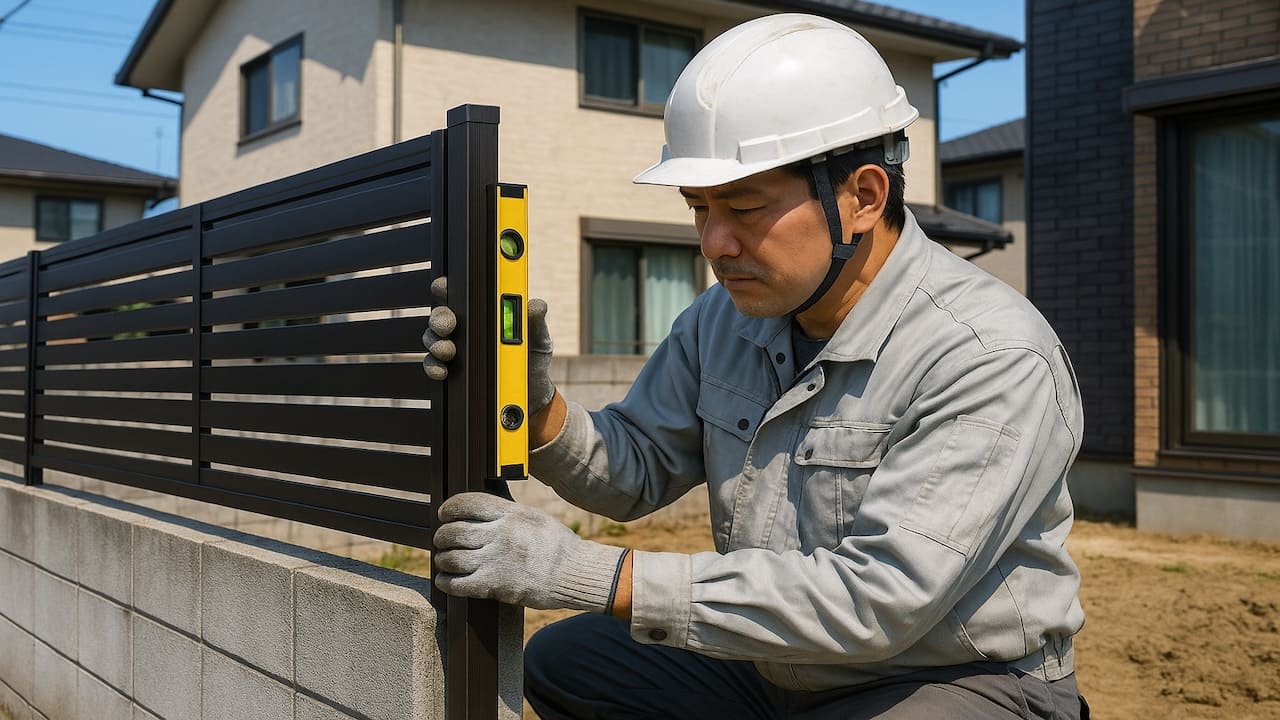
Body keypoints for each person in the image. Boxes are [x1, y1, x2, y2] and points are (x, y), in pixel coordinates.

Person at [423, 13, 1088, 720]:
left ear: (863, 197)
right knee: (568, 665)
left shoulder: (986, 354)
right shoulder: (724, 319)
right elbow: (636, 467)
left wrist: (591, 573)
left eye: (744, 207)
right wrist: (532, 408)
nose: (715, 242)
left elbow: (879, 601)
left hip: (949, 677)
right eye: (699, 207)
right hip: (776, 666)